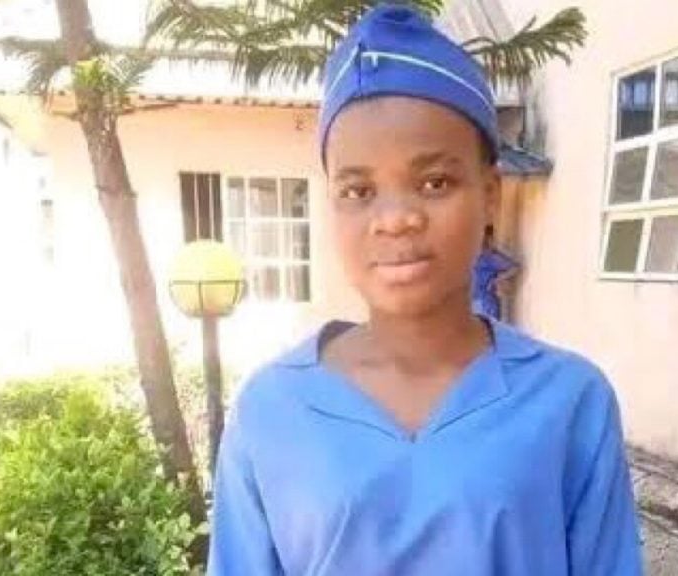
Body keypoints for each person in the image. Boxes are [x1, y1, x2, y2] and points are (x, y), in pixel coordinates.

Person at [208, 5, 642, 575]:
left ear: (490, 195)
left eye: (434, 182)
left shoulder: (568, 402)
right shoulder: (271, 411)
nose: (395, 219)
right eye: (358, 191)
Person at [471, 225, 520, 321]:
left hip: (486, 303)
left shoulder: (489, 256)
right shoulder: (474, 255)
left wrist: (495, 280)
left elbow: (515, 268)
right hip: (474, 303)